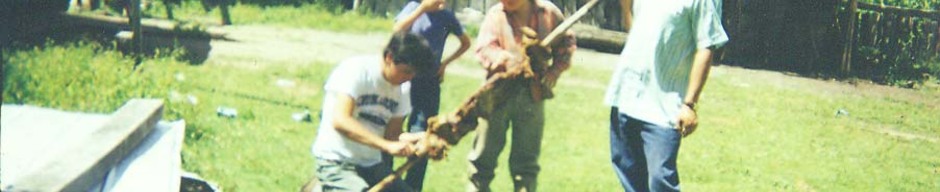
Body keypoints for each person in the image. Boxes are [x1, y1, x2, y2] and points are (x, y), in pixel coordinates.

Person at [605, 0, 728, 191]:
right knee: (628, 172)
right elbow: (634, 28)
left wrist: (689, 104)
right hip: (628, 95)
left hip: (663, 108)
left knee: (660, 180)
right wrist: (625, 6)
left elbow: (706, 47)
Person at [468, 0, 575, 191]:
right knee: (482, 160)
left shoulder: (548, 13)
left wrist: (554, 71)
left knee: (526, 165)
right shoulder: (496, 15)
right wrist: (503, 59)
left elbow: (567, 44)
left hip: (532, 96)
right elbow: (483, 48)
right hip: (497, 95)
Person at [310, 32, 434, 192]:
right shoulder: (356, 70)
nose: (409, 77)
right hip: (336, 160)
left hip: (370, 164)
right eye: (406, 71)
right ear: (389, 57)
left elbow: (392, 135)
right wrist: (387, 146)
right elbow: (341, 121)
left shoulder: (403, 87)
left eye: (413, 73)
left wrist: (422, 137)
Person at [392, 0, 472, 191]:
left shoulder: (446, 17)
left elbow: (465, 42)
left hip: (428, 82)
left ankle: (412, 186)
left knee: (422, 131)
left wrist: (445, 64)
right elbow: (396, 31)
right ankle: (384, 176)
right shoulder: (413, 8)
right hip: (403, 78)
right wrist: (422, 10)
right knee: (391, 129)